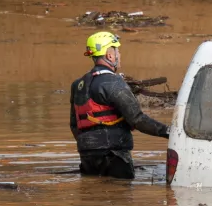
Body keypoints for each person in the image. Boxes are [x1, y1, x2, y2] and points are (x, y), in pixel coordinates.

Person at [70, 31, 170, 179]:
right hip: (114, 155)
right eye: (117, 51)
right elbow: (138, 120)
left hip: (87, 155)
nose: (119, 55)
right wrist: (169, 132)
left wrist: (91, 145)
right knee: (121, 196)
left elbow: (74, 125)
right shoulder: (113, 82)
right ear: (110, 56)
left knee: (92, 195)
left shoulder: (77, 84)